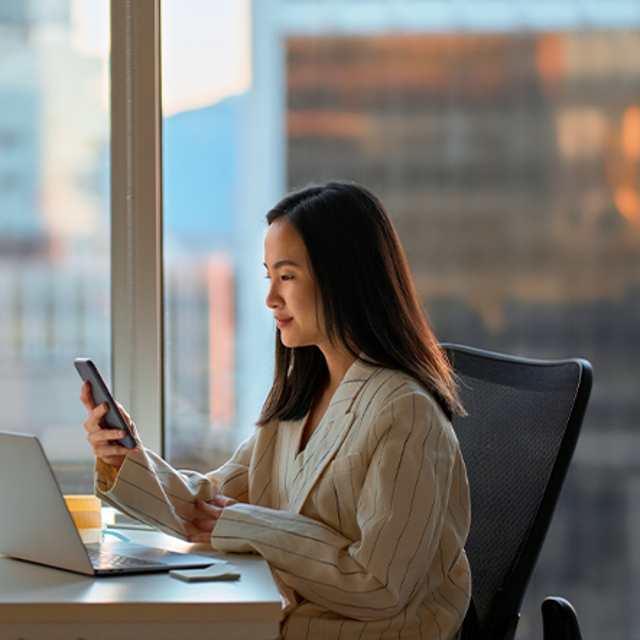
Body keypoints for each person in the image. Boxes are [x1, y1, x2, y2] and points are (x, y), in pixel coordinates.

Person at [81, 181, 471, 640]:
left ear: (344, 277)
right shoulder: (300, 399)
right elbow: (210, 506)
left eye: (286, 277)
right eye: (268, 276)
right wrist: (125, 459)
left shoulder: (405, 414)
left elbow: (379, 586)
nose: (270, 299)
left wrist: (248, 525)